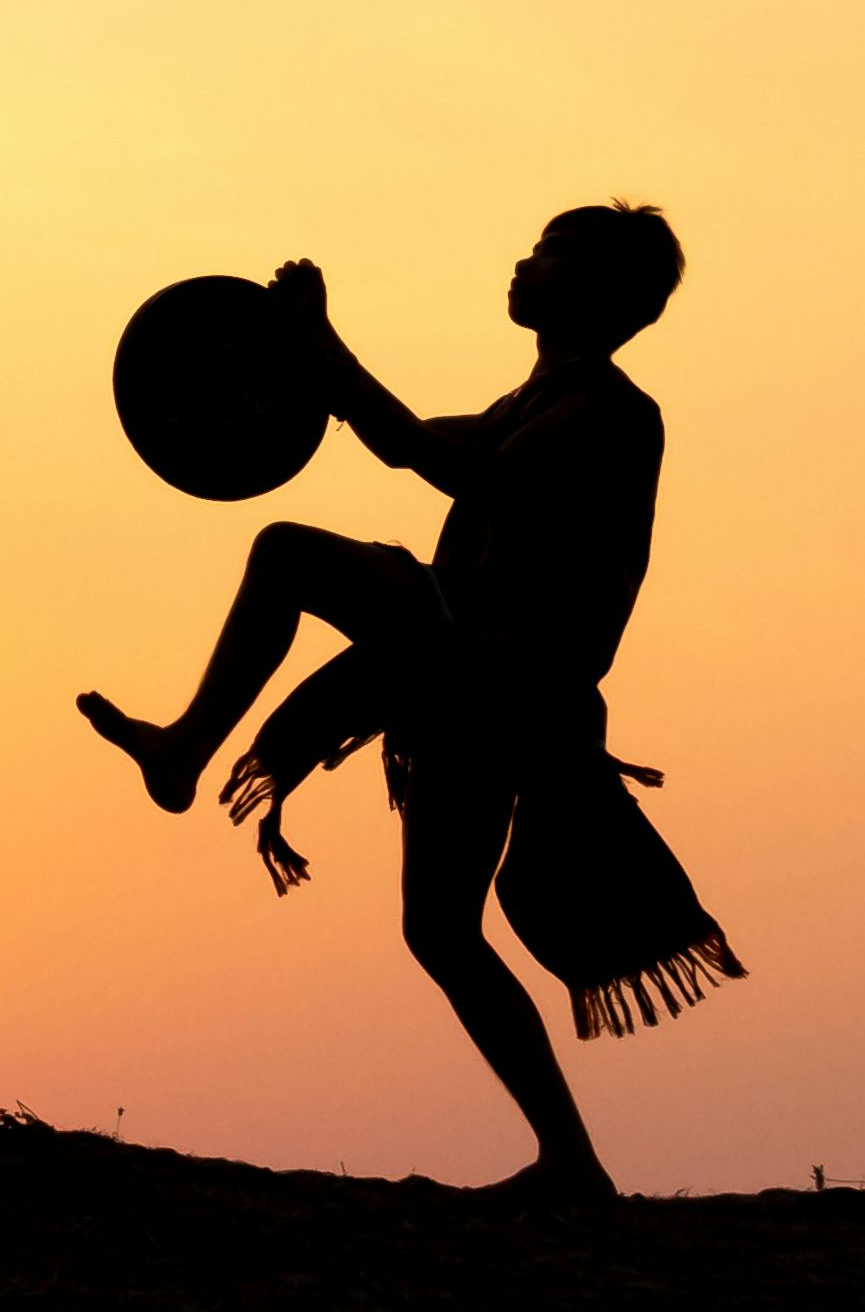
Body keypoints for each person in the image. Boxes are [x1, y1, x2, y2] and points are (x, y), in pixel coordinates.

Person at [74, 209, 735, 1190]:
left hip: (501, 676)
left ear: (601, 292)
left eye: (550, 251)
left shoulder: (610, 411)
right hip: (472, 690)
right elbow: (412, 442)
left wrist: (323, 349)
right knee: (439, 931)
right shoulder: (535, 397)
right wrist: (315, 357)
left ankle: (184, 750)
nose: (524, 259)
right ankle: (570, 1156)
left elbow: (448, 464)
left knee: (286, 552)